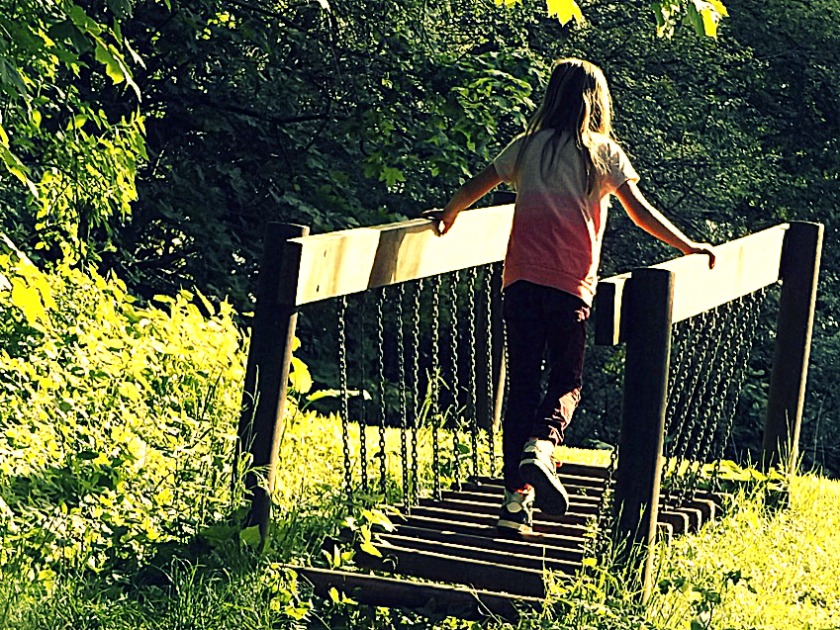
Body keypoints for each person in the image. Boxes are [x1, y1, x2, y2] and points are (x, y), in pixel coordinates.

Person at [426, 58, 716, 535]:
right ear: (598, 103)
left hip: (519, 282)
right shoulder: (604, 154)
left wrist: (450, 212)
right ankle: (542, 446)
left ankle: (514, 503)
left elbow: (478, 185)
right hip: (569, 285)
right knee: (567, 381)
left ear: (552, 98)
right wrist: (687, 245)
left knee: (522, 385)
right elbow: (640, 213)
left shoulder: (528, 147)